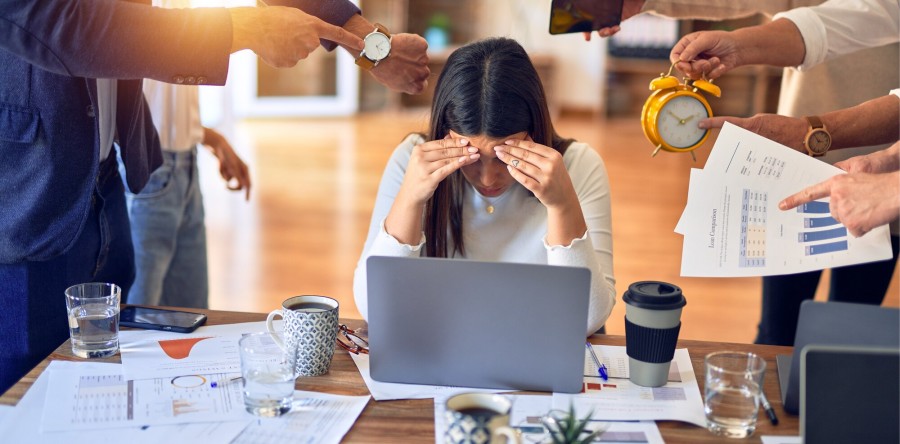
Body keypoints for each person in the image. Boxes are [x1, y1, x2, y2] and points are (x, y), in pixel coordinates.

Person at [0, 0, 428, 394]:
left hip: (106, 177)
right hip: (26, 192)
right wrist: (240, 29)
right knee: (24, 393)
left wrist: (365, 39)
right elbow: (57, 21)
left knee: (106, 380)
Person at [589, 0, 899, 345]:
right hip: (804, 158)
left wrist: (891, 175)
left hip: (882, 175)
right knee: (776, 329)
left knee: (851, 329)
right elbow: (854, 19)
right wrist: (736, 45)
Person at [352, 37, 617, 335]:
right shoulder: (411, 161)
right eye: (472, 156)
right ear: (444, 134)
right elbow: (374, 308)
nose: (488, 179)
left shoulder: (578, 165)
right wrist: (410, 199)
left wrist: (562, 205)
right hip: (441, 342)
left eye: (505, 157)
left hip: (535, 343)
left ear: (535, 131)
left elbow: (588, 321)